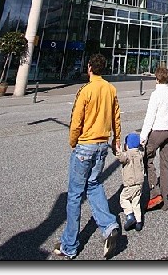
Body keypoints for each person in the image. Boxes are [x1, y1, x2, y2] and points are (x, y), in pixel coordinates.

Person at [54, 54, 121, 260]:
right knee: (94, 184)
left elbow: (76, 121)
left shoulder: (85, 90)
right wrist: (116, 140)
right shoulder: (111, 89)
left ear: (90, 68)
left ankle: (70, 245)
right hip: (102, 145)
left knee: (74, 195)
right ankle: (109, 225)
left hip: (85, 145)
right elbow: (116, 117)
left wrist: (73, 141)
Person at [140, 66, 168, 212]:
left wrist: (143, 137)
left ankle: (155, 193)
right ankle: (165, 201)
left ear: (157, 78)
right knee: (165, 165)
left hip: (157, 131)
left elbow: (150, 117)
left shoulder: (156, 94)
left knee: (147, 158)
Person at [116, 132, 145, 232]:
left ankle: (130, 215)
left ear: (127, 145)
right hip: (140, 183)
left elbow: (121, 157)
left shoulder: (127, 155)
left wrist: (117, 149)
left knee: (123, 198)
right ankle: (139, 222)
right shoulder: (140, 154)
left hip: (130, 184)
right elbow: (142, 149)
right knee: (136, 202)